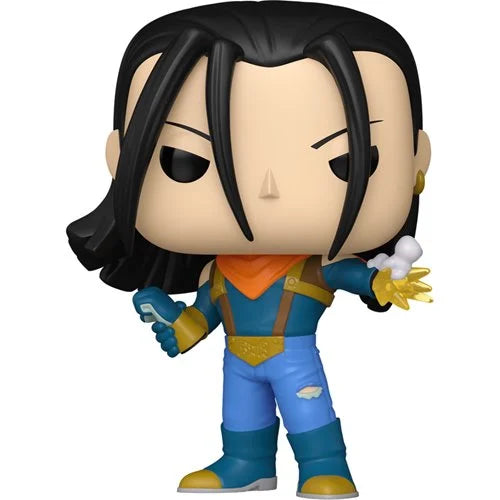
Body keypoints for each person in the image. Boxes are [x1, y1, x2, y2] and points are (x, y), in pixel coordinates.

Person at [67, 2, 432, 498]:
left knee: (308, 411)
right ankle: (246, 463)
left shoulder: (315, 266)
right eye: (186, 161)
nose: (268, 190)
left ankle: (325, 466)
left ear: (416, 160)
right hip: (238, 357)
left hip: (294, 356)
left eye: (347, 160)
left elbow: (355, 277)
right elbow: (203, 316)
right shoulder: (218, 273)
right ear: (120, 158)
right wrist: (174, 324)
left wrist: (385, 282)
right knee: (240, 413)